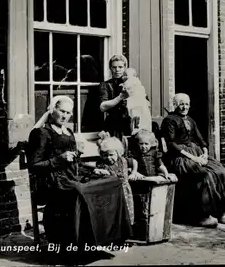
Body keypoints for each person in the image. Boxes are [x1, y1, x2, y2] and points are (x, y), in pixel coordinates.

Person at [27, 96, 132, 256]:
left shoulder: (68, 131)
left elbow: (75, 162)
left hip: (71, 176)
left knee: (112, 182)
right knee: (81, 191)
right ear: (52, 109)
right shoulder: (41, 133)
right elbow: (34, 166)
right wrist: (58, 160)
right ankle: (76, 245)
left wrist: (92, 170)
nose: (65, 116)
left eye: (68, 113)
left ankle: (107, 238)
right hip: (50, 181)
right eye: (62, 111)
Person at [161, 93, 225, 227]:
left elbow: (200, 139)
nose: (184, 107)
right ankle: (202, 215)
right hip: (179, 157)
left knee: (220, 171)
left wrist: (205, 153)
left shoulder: (190, 120)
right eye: (181, 104)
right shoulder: (169, 120)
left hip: (196, 152)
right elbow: (171, 144)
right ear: (176, 105)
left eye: (187, 104)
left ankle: (223, 211)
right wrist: (193, 158)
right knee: (204, 175)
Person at [96, 131, 144, 225]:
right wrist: (99, 172)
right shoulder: (102, 164)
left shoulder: (123, 160)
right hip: (111, 193)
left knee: (126, 211)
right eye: (105, 155)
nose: (108, 158)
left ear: (118, 153)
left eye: (111, 155)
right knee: (114, 213)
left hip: (125, 191)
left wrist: (134, 173)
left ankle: (126, 230)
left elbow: (134, 162)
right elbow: (98, 174)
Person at [100, 55, 150, 138]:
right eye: (114, 67)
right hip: (114, 124)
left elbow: (147, 102)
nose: (117, 70)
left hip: (131, 123)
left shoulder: (133, 82)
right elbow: (103, 107)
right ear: (110, 68)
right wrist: (120, 97)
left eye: (120, 67)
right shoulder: (106, 85)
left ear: (125, 67)